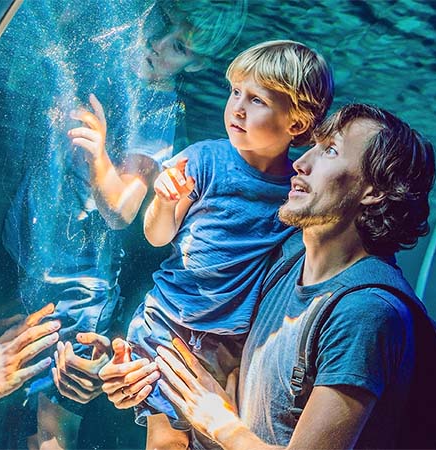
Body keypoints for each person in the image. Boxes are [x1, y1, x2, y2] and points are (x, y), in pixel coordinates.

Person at [4, 1, 246, 449]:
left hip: (77, 286)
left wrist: (98, 156)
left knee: (52, 428)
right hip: (36, 257)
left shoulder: (156, 110)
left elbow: (120, 209)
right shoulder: (112, 63)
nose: (156, 44)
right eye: (162, 23)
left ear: (197, 64)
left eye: (176, 46)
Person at [127, 103, 436, 449]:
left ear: (375, 190)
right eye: (315, 146)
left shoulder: (365, 311)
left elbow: (220, 417)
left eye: (330, 151)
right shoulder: (284, 260)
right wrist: (135, 374)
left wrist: (221, 425)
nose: (302, 163)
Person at [110, 39, 333, 450]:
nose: (238, 108)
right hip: (169, 319)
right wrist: (164, 199)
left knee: (212, 437)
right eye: (235, 93)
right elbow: (157, 236)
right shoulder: (202, 160)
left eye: (257, 99)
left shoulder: (297, 189)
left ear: (297, 124)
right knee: (166, 442)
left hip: (232, 339)